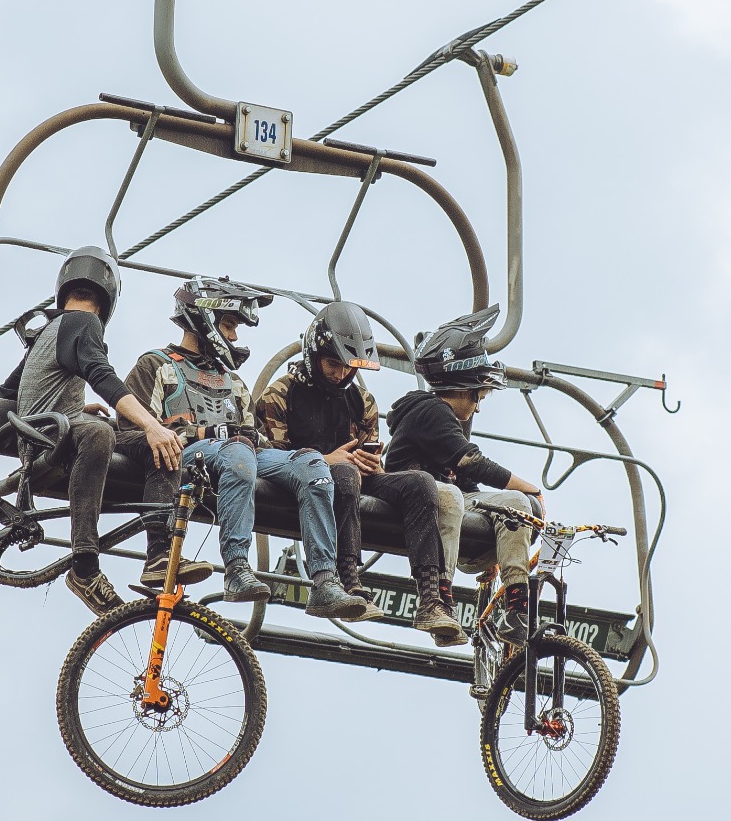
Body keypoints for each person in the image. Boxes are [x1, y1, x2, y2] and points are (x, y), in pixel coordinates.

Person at [121, 277, 370, 619]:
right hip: (190, 454)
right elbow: (136, 430)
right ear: (203, 319)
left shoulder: (232, 381)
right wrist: (207, 432)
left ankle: (325, 581)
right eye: (228, 325)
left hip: (241, 453)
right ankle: (237, 568)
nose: (234, 337)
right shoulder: (157, 364)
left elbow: (257, 438)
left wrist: (253, 440)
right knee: (238, 452)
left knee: (313, 463)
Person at [254, 301, 467, 647]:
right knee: (343, 474)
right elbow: (268, 459)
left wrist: (374, 465)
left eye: (349, 367)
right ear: (314, 355)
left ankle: (431, 598)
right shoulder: (280, 394)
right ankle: (349, 580)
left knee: (421, 483)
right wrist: (328, 459)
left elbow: (370, 453)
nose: (341, 375)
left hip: (355, 479)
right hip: (306, 481)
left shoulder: (363, 401)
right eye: (333, 365)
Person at [0, 246, 183, 616]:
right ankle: (84, 564)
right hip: (49, 434)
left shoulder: (48, 331)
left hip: (46, 428)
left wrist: (74, 409)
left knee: (159, 446)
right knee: (109, 434)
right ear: (108, 300)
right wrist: (152, 424)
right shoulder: (84, 323)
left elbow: (6, 396)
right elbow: (102, 376)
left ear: (64, 287)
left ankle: (159, 557)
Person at [385, 307, 549, 670]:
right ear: (460, 386)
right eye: (478, 396)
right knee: (450, 494)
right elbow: (469, 462)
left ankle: (516, 606)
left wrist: (518, 505)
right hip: (413, 496)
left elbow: (468, 481)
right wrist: (534, 489)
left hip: (452, 496)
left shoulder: (450, 418)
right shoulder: (429, 410)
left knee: (513, 504)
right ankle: (439, 600)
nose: (478, 406)